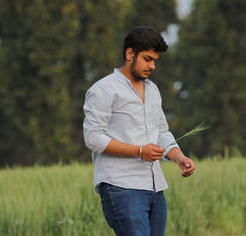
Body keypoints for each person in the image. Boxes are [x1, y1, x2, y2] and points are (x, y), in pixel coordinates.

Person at [83, 25, 195, 236]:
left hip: (154, 186)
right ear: (129, 54)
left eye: (155, 60)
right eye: (147, 59)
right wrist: (139, 151)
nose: (152, 66)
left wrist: (179, 157)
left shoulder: (152, 90)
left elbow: (161, 131)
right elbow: (93, 137)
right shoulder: (103, 89)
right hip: (121, 187)